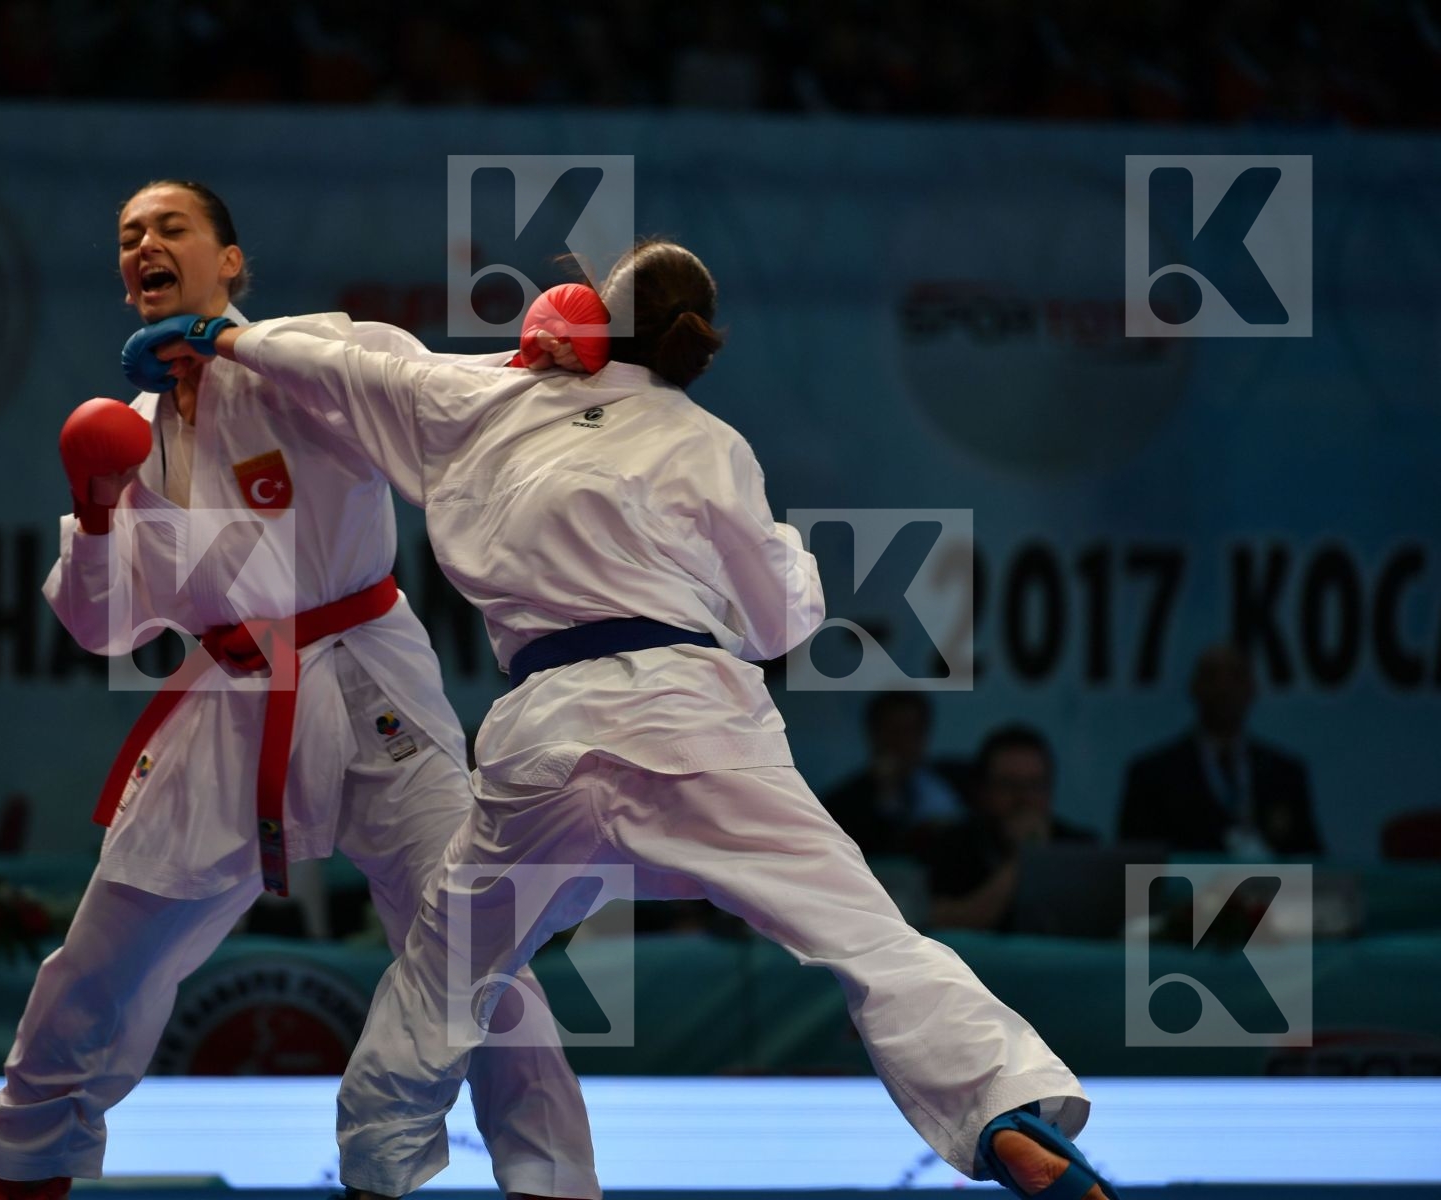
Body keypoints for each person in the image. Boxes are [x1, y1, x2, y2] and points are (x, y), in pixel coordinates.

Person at [135, 242, 1117, 1200]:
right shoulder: (703, 439)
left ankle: (375, 1174)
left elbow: (351, 363)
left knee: (443, 978)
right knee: (863, 935)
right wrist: (787, 555)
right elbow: (782, 620)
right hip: (690, 721)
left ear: (599, 326)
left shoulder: (491, 401)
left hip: (543, 741)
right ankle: (1003, 1114)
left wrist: (225, 336)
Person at [0, 181, 595, 1200]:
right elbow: (100, 625)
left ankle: (554, 1189)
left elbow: (425, 395)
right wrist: (97, 511)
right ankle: (27, 1165)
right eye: (127, 237)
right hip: (228, 695)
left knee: (471, 943)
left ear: (230, 262)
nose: (143, 244)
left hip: (367, 669)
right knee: (106, 954)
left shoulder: (302, 356)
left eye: (170, 227)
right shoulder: (131, 433)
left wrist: (532, 368)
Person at [1118, 643, 1322, 857]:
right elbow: (1134, 868)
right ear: (1194, 688)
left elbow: (1314, 864)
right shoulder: (1153, 775)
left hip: (1268, 889)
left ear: (1252, 689)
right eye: (1212, 676)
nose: (1223, 688)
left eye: (1236, 677)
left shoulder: (1285, 774)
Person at [922, 725, 1096, 932]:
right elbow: (949, 923)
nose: (1024, 798)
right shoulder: (953, 845)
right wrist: (1024, 856)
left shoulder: (1079, 846)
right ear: (983, 791)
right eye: (1008, 784)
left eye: (1035, 784)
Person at [822, 692, 970, 856]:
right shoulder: (843, 802)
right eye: (894, 731)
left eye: (912, 730)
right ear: (874, 734)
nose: (903, 741)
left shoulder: (957, 778)